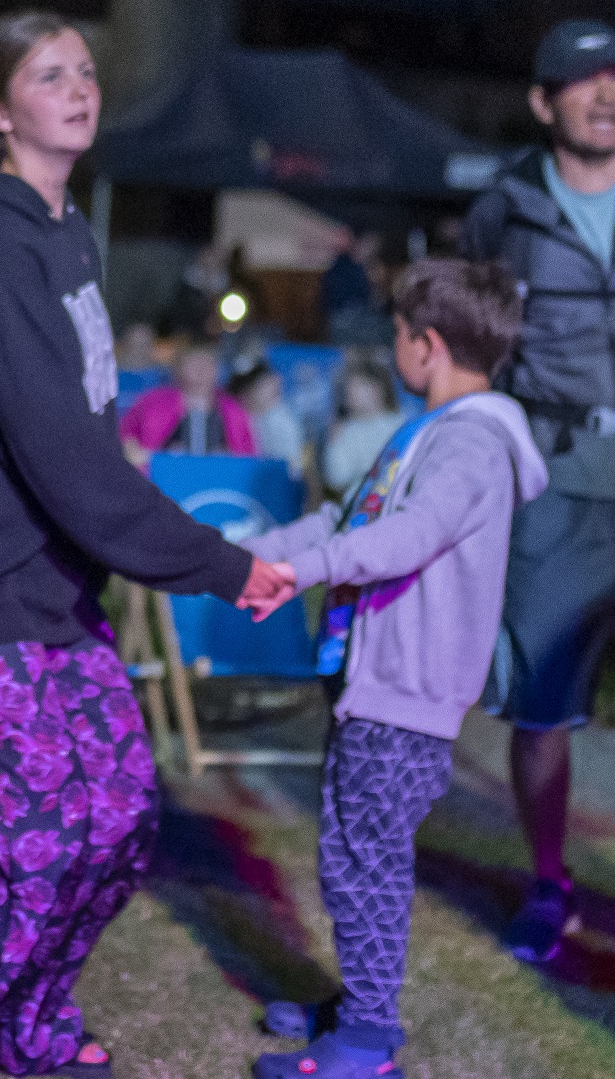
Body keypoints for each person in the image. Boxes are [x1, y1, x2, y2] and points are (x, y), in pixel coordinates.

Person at [0, 10, 289, 1079]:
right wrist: (220, 564)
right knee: (29, 855)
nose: (78, 88)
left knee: (118, 822)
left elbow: (86, 431)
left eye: (85, 70)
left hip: (55, 583)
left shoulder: (65, 234)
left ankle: (28, 1021)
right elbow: (64, 456)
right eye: (48, 74)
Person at [241, 259, 544, 1079]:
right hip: (375, 685)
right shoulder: (428, 434)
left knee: (364, 863)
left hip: (405, 695)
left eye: (401, 334)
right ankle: (361, 1005)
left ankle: (368, 1040)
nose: (396, 347)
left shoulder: (469, 445)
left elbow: (406, 538)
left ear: (428, 344)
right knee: (353, 855)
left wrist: (303, 572)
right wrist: (250, 558)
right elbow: (346, 520)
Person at [462, 18, 615, 964]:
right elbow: (470, 337)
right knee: (543, 700)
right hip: (556, 472)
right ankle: (550, 882)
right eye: (584, 80)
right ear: (542, 101)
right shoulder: (505, 209)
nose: (607, 94)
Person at [119, 343, 258, 459]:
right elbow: (126, 437)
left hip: (218, 480)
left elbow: (248, 456)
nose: (201, 370)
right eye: (193, 363)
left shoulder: (233, 410)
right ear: (178, 369)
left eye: (207, 363)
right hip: (163, 477)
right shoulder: (152, 403)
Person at [321, 361, 405, 495]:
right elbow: (337, 479)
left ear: (377, 388)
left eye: (357, 385)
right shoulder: (347, 429)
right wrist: (333, 443)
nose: (349, 392)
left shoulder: (401, 424)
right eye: (349, 386)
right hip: (359, 503)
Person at [231, 361, 307, 476]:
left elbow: (294, 466)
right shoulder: (238, 418)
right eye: (261, 385)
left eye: (268, 382)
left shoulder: (281, 417)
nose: (273, 386)